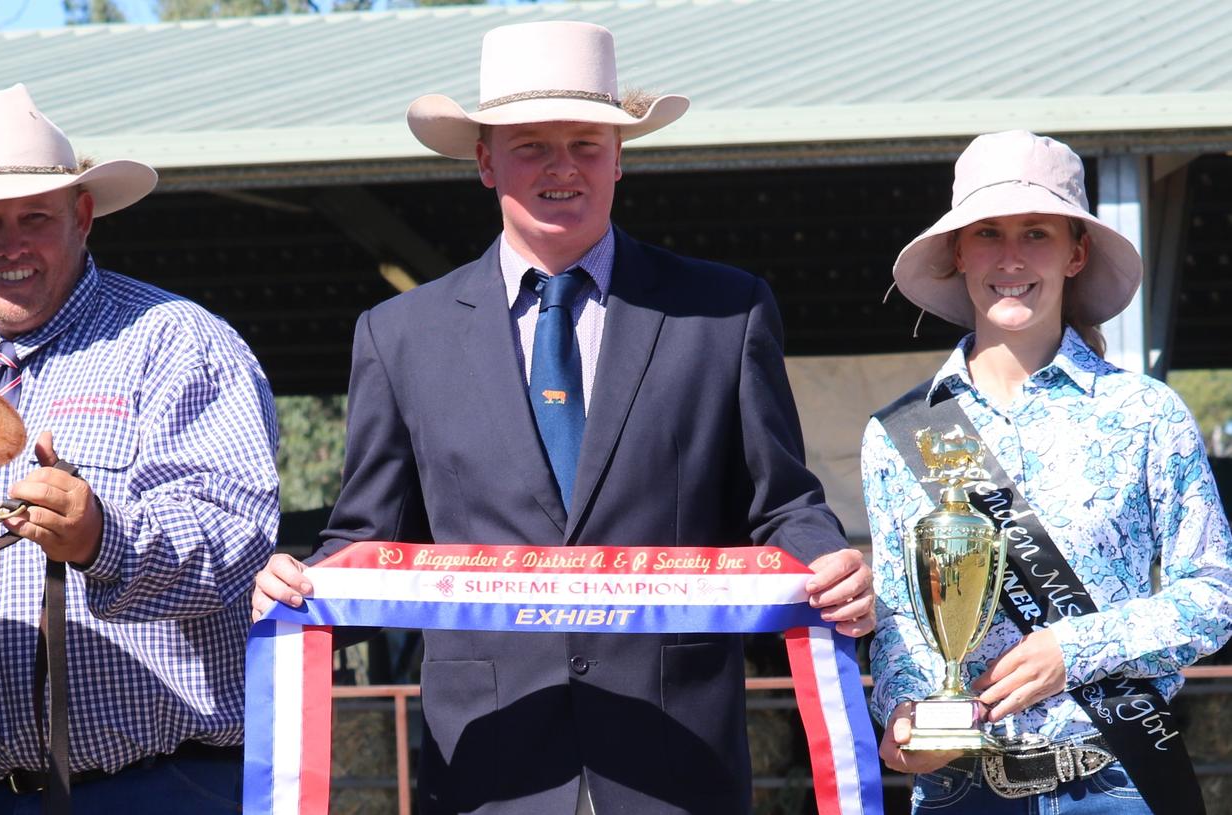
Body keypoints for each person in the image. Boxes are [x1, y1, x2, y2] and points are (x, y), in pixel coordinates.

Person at [251, 21, 873, 815]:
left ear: (621, 156)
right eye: (531, 144)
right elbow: (368, 539)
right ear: (484, 159)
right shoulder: (399, 335)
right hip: (490, 765)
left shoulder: (724, 311)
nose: (562, 167)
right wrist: (300, 589)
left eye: (585, 142)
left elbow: (782, 502)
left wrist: (829, 560)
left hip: (676, 760)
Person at [0, 84, 280, 815]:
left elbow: (237, 545)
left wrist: (103, 537)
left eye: (34, 217)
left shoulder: (174, 342)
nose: (11, 245)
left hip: (156, 790)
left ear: (82, 216)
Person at [863, 130, 1232, 813]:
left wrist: (1074, 647)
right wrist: (907, 707)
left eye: (1035, 232)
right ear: (958, 252)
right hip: (959, 790)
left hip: (1117, 779)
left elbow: (1214, 593)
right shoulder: (899, 434)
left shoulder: (1147, 414)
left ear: (1076, 251)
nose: (1010, 257)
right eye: (988, 233)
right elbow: (896, 617)